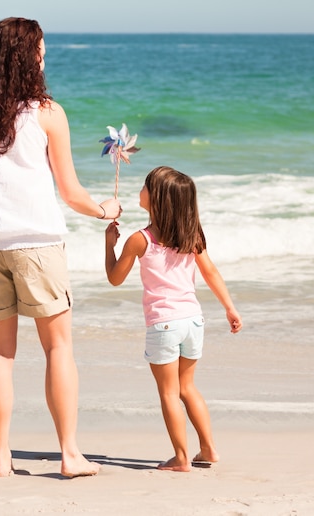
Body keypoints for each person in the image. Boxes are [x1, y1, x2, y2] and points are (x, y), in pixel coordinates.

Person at [0, 17, 120, 477]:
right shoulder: (47, 112)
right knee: (58, 348)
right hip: (38, 244)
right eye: (42, 50)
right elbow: (69, 191)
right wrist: (105, 211)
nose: (47, 56)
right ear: (29, 57)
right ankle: (69, 455)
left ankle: (1, 460)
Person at [104, 165, 242, 472]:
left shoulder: (140, 239)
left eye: (145, 186)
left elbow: (115, 278)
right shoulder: (192, 235)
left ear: (157, 199)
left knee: (168, 392)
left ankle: (181, 458)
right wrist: (229, 307)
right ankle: (207, 449)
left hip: (163, 324)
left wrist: (108, 245)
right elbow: (211, 272)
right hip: (193, 320)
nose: (141, 191)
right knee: (187, 388)